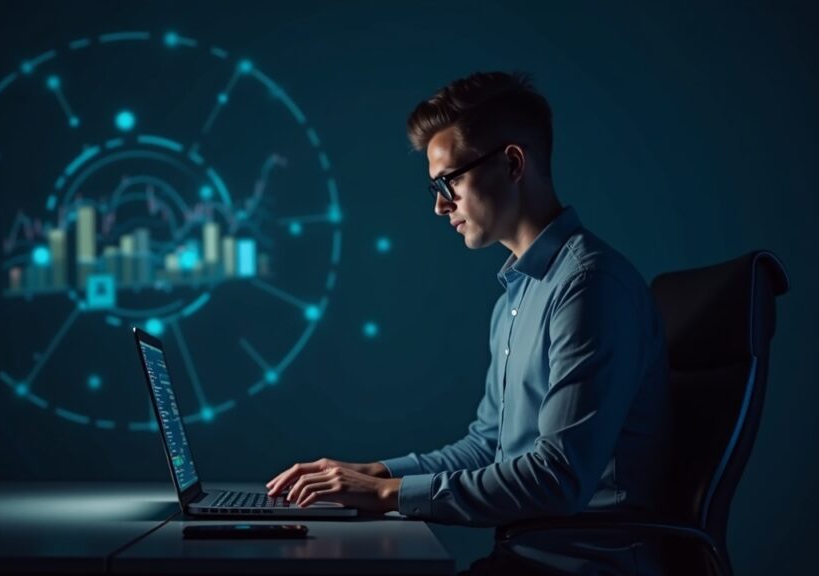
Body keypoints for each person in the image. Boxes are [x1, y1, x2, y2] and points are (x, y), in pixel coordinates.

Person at [266, 71, 672, 576]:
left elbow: (558, 478)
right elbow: (488, 446)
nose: (440, 205)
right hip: (522, 560)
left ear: (512, 163)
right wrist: (374, 473)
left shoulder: (590, 287)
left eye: (449, 181)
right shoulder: (516, 298)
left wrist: (388, 495)